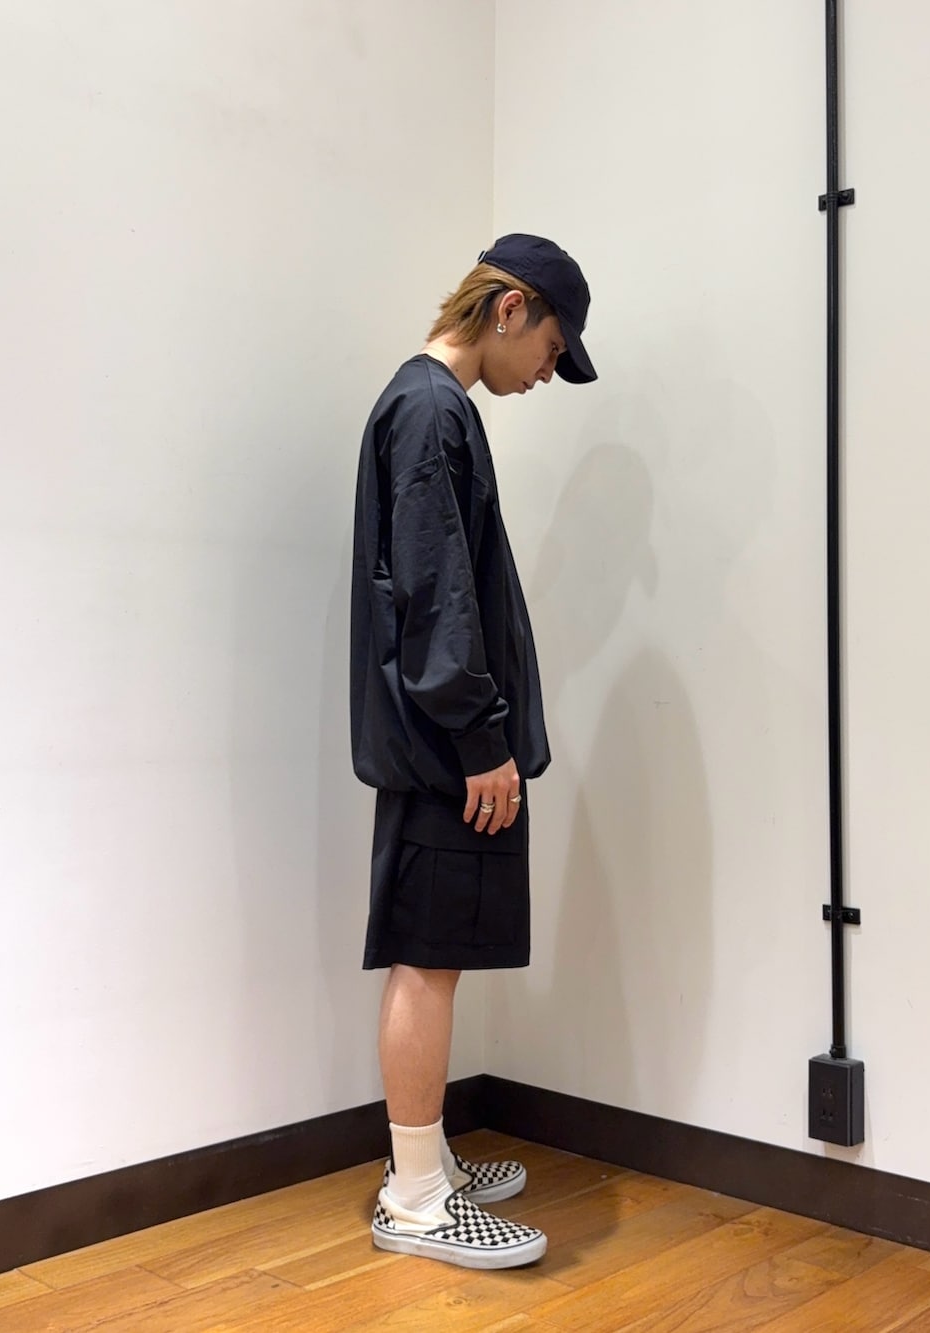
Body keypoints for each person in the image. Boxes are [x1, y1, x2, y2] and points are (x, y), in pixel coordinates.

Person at [349, 234, 596, 1269]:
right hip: (445, 748)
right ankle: (413, 1197)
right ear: (510, 308)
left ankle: (427, 1159)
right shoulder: (429, 409)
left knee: (436, 952)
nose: (545, 372)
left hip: (440, 740)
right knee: (427, 957)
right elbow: (436, 592)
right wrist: (482, 739)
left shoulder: (434, 408)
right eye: (551, 347)